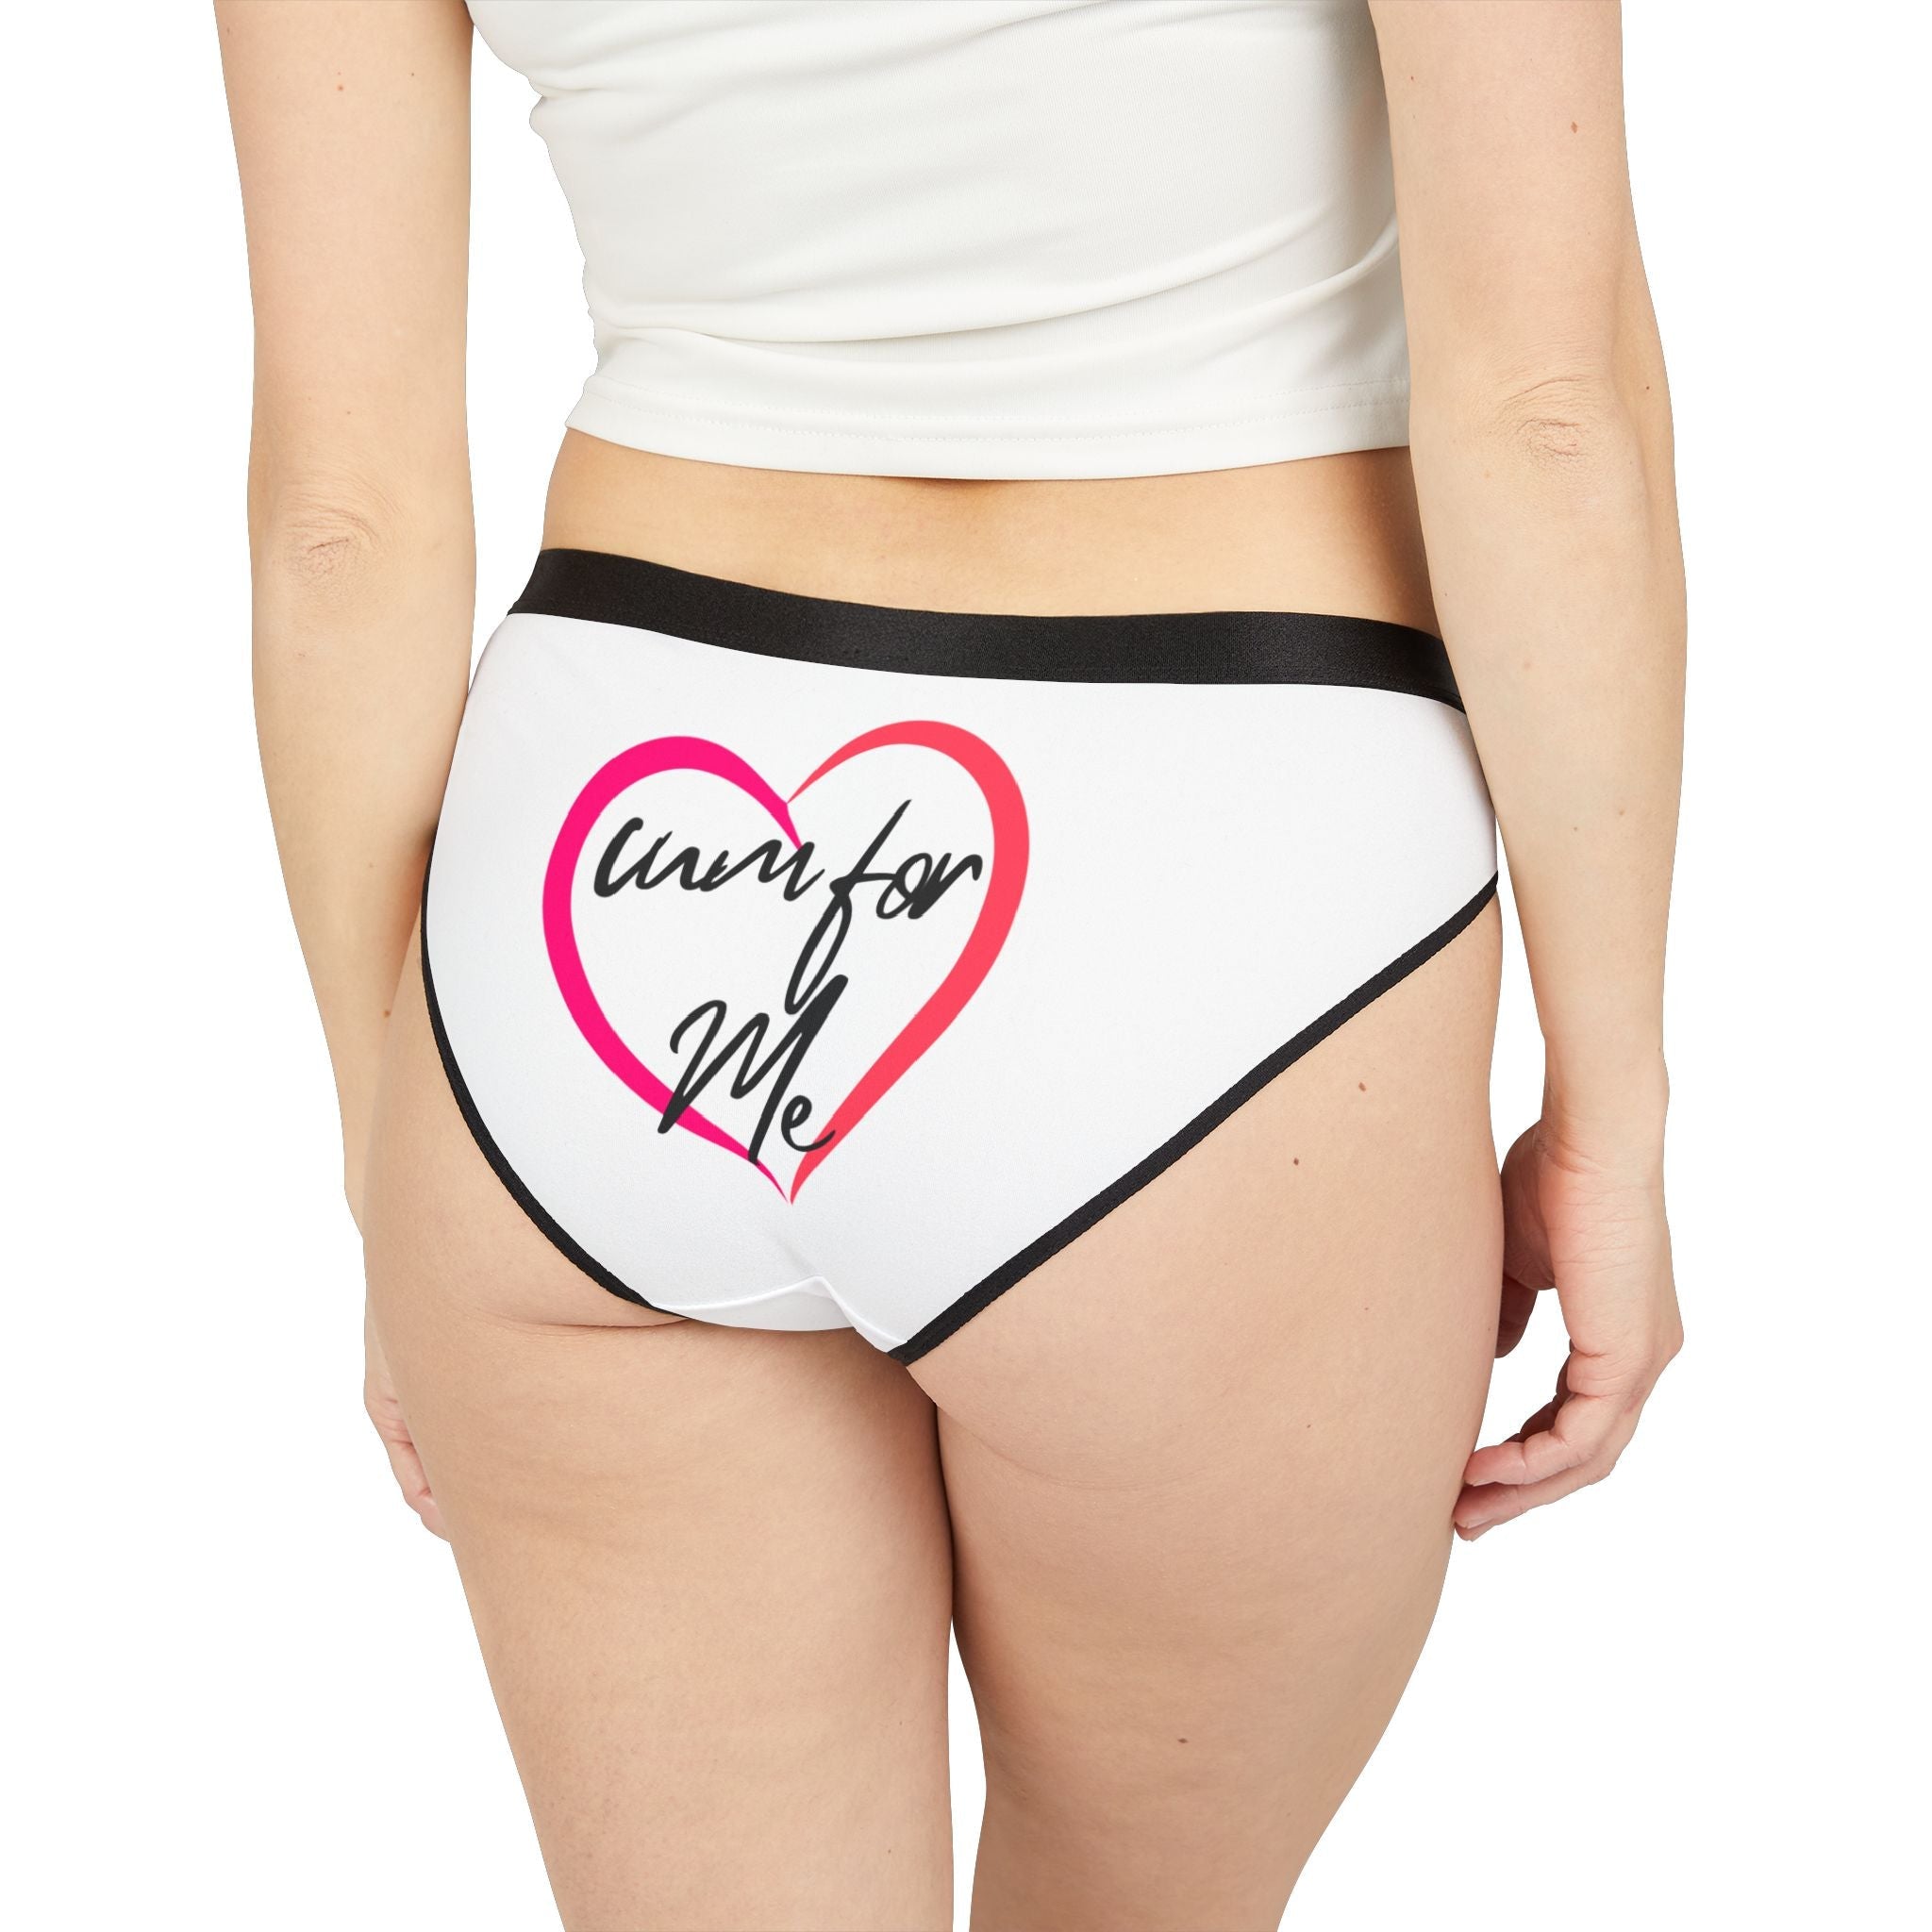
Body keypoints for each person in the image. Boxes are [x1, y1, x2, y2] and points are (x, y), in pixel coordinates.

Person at [217, 2, 1684, 1925]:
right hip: (1218, 872)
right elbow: (1546, 412)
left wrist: (396, 1150)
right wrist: (1609, 1111)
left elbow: (341, 522)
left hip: (596, 893)